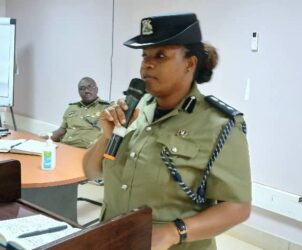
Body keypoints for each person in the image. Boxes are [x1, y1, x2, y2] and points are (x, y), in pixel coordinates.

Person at [83, 13, 251, 250]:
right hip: (114, 239)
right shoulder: (135, 107)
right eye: (145, 56)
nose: (147, 64)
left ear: (190, 63)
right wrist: (106, 136)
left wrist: (174, 232)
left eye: (160, 55)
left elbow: (237, 207)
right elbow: (91, 172)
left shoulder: (220, 125)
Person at [47, 77, 110, 149]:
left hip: (86, 151)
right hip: (64, 146)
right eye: (82, 88)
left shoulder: (107, 108)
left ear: (96, 89)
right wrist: (43, 138)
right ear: (79, 92)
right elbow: (61, 131)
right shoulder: (72, 108)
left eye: (90, 87)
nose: (86, 90)